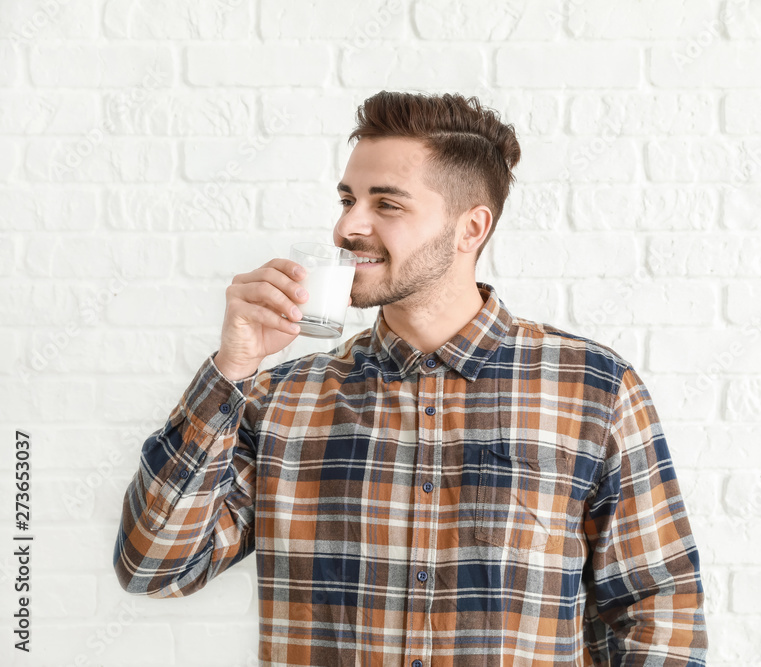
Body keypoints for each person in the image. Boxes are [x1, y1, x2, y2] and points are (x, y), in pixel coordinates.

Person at [113, 90, 708, 666]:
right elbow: (153, 567)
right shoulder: (280, 399)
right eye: (347, 199)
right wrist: (232, 367)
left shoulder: (593, 389)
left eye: (386, 204)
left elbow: (657, 610)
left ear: (470, 228)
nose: (349, 226)